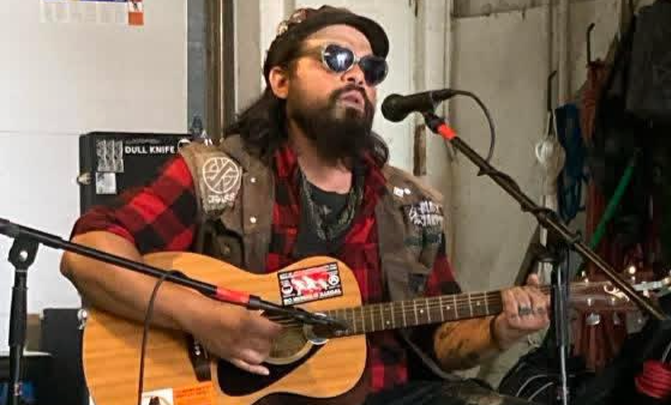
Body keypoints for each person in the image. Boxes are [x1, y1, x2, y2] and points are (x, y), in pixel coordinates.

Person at [60, 5, 549, 405]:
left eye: (371, 69)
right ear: (280, 81)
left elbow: (439, 340)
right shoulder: (217, 176)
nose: (357, 75)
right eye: (336, 58)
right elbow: (87, 256)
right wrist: (204, 319)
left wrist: (498, 329)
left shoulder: (408, 205)